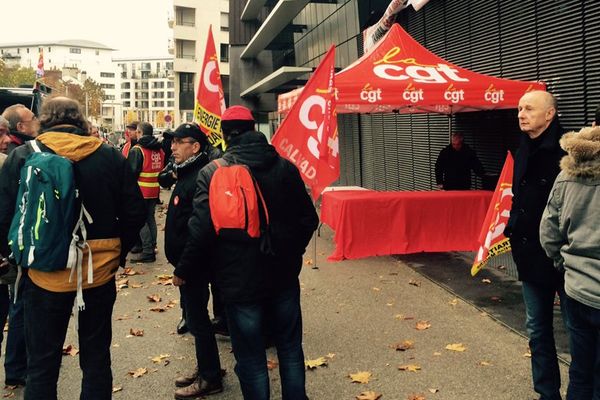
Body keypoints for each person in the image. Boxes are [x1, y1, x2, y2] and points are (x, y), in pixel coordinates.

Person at [0, 97, 146, 399]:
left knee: (41, 362)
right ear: (80, 119)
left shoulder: (23, 155)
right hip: (98, 270)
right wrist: (117, 254)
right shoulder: (109, 156)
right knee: (96, 358)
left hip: (42, 272)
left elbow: (5, 214)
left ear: (45, 120)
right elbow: (134, 211)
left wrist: (17, 257)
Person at [174, 105, 319, 399]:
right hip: (283, 275)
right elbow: (308, 219)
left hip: (238, 279)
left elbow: (201, 230)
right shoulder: (285, 167)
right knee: (290, 347)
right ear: (254, 129)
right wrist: (291, 252)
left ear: (225, 136)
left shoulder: (214, 172)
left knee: (251, 357)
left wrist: (184, 270)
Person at [504, 90, 567, 400]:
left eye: (529, 108)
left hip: (566, 260)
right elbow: (520, 199)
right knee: (538, 331)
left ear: (549, 114)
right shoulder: (523, 149)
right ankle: (547, 393)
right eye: (519, 109)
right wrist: (512, 229)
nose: (521, 114)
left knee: (581, 333)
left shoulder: (569, 152)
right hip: (530, 254)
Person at [159, 123, 224, 399]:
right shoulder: (187, 172)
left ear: (195, 146)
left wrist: (184, 268)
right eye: (171, 142)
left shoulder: (198, 175)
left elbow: (200, 228)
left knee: (197, 320)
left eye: (178, 142)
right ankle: (208, 367)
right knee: (197, 320)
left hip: (195, 264)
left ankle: (210, 377)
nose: (172, 148)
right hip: (191, 261)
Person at [540, 125, 600, 400]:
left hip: (577, 287)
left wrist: (563, 263)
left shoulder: (567, 174)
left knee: (581, 371)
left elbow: (549, 231)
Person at [0, 105, 40, 387]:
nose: (4, 138)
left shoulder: (12, 156)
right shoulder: (14, 158)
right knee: (19, 305)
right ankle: (16, 367)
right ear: (21, 127)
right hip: (10, 250)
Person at [127, 122, 165, 263]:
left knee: (141, 220)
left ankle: (148, 251)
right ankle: (152, 246)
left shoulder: (137, 150)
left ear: (140, 133)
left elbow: (131, 173)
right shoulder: (159, 149)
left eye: (137, 132)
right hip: (154, 190)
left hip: (141, 190)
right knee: (150, 218)